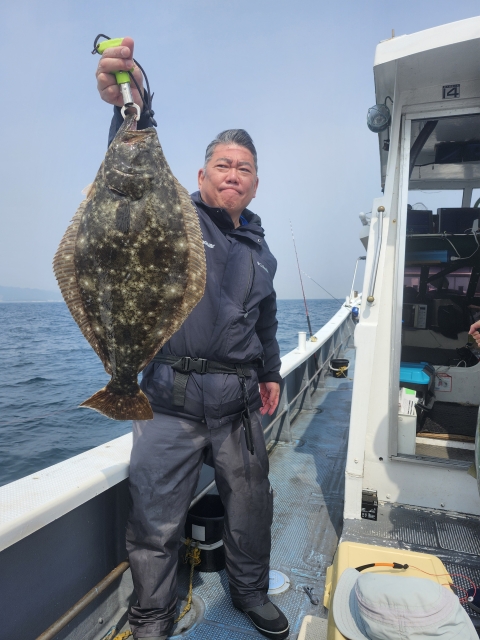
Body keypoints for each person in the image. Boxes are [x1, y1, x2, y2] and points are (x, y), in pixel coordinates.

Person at [96, 38, 289, 640]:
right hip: (168, 403)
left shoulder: (263, 252)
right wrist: (131, 108)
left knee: (251, 511)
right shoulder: (171, 220)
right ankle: (152, 619)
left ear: (255, 183)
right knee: (154, 524)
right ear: (201, 175)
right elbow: (128, 191)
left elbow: (265, 322)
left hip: (238, 408)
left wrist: (271, 373)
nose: (233, 175)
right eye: (222, 166)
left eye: (244, 168)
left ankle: (249, 592)